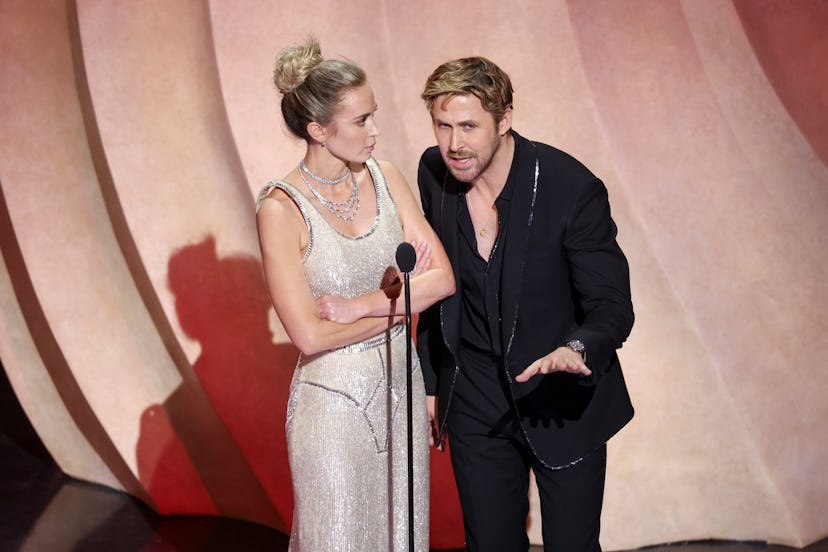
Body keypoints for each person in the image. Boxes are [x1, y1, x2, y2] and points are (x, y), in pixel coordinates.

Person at [416, 56, 634, 551]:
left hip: (559, 395)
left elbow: (611, 303)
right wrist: (431, 381)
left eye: (469, 126)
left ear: (505, 118)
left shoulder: (570, 188)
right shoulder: (435, 174)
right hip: (474, 399)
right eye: (442, 125)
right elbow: (436, 288)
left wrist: (577, 347)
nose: (454, 144)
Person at [256, 38, 454, 551]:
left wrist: (362, 306)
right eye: (361, 120)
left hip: (402, 394)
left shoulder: (386, 178)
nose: (375, 131)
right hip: (334, 408)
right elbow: (309, 335)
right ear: (318, 130)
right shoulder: (282, 210)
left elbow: (444, 280)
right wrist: (401, 305)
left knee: (402, 539)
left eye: (374, 116)